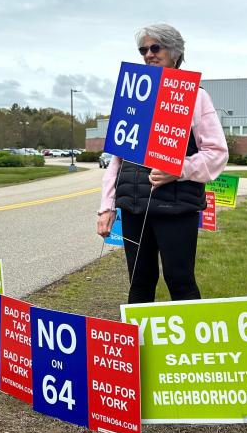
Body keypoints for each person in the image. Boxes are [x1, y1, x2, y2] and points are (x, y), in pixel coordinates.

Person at [97, 23, 228, 304]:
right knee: (139, 282)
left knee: (180, 282)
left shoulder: (196, 96)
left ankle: (190, 347)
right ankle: (140, 347)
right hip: (133, 207)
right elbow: (116, 159)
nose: (148, 55)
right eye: (143, 50)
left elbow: (217, 153)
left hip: (176, 207)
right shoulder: (133, 96)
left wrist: (177, 170)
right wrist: (106, 207)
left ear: (174, 52)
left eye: (155, 48)